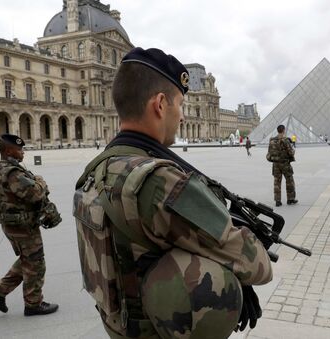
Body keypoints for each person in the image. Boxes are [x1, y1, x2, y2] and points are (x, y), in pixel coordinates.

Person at [73, 47, 273, 339]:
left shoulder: (96, 169)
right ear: (160, 104)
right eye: (180, 104)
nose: (181, 116)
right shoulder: (160, 181)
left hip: (119, 324)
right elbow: (257, 265)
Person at [0, 134, 60, 316]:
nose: (23, 153)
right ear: (9, 150)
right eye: (20, 149)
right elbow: (35, 194)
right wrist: (40, 181)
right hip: (22, 226)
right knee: (36, 262)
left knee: (28, 258)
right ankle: (33, 304)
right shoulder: (13, 173)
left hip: (11, 224)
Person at [266, 125, 297, 207]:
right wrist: (293, 150)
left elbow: (268, 154)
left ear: (277, 131)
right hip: (285, 164)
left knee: (277, 182)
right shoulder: (285, 140)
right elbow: (291, 152)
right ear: (283, 130)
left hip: (276, 164)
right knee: (289, 181)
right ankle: (290, 199)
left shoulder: (272, 140)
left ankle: (277, 201)